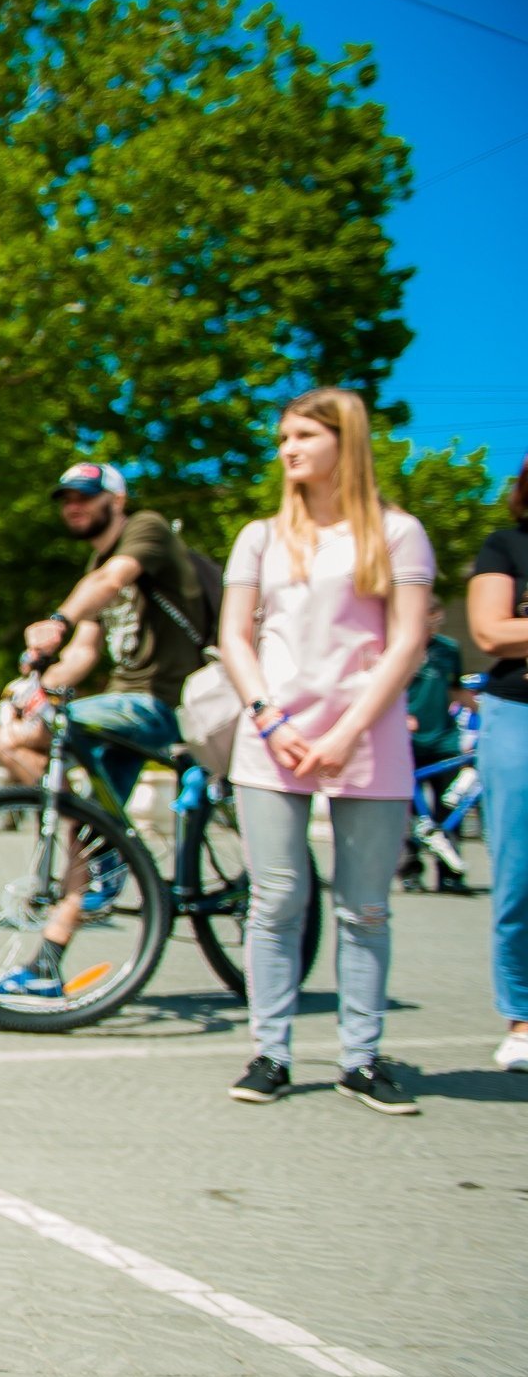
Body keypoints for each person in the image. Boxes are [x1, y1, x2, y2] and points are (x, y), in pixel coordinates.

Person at [215, 390, 436, 1113]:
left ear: (346, 441)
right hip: (273, 736)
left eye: (305, 435)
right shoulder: (260, 537)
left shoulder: (399, 535)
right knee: (278, 898)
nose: (288, 449)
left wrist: (346, 732)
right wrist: (270, 720)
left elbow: (407, 642)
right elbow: (236, 638)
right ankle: (269, 1053)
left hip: (365, 736)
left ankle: (361, 1059)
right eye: (283, 437)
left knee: (364, 907)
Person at [0, 462, 210, 998]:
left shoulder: (146, 531)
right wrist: (38, 687)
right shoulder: (95, 562)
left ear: (116, 499)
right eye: (66, 499)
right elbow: (83, 654)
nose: (73, 506)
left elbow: (110, 582)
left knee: (33, 738)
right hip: (120, 710)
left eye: (85, 496)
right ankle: (47, 965)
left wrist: (57, 620)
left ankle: (99, 845)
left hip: (163, 704)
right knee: (12, 735)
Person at [468, 456, 528, 1073]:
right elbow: (492, 630)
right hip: (520, 712)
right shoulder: (506, 546)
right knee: (521, 870)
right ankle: (522, 1014)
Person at [399, 600, 471, 893]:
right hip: (407, 741)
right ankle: (410, 869)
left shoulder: (448, 649)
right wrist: (398, 715)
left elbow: (458, 689)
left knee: (449, 806)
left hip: (443, 737)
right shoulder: (399, 646)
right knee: (407, 810)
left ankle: (450, 871)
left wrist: (478, 709)